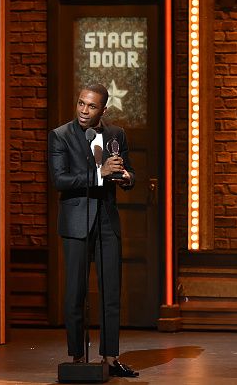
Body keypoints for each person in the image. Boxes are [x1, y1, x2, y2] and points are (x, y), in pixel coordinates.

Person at [48, 83, 138, 377]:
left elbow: (130, 173)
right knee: (75, 293)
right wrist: (100, 174)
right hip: (76, 222)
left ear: (103, 109)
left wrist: (125, 177)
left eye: (91, 106)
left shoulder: (116, 135)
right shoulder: (60, 136)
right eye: (81, 104)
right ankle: (76, 358)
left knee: (111, 292)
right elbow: (61, 180)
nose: (84, 111)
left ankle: (110, 358)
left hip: (107, 222)